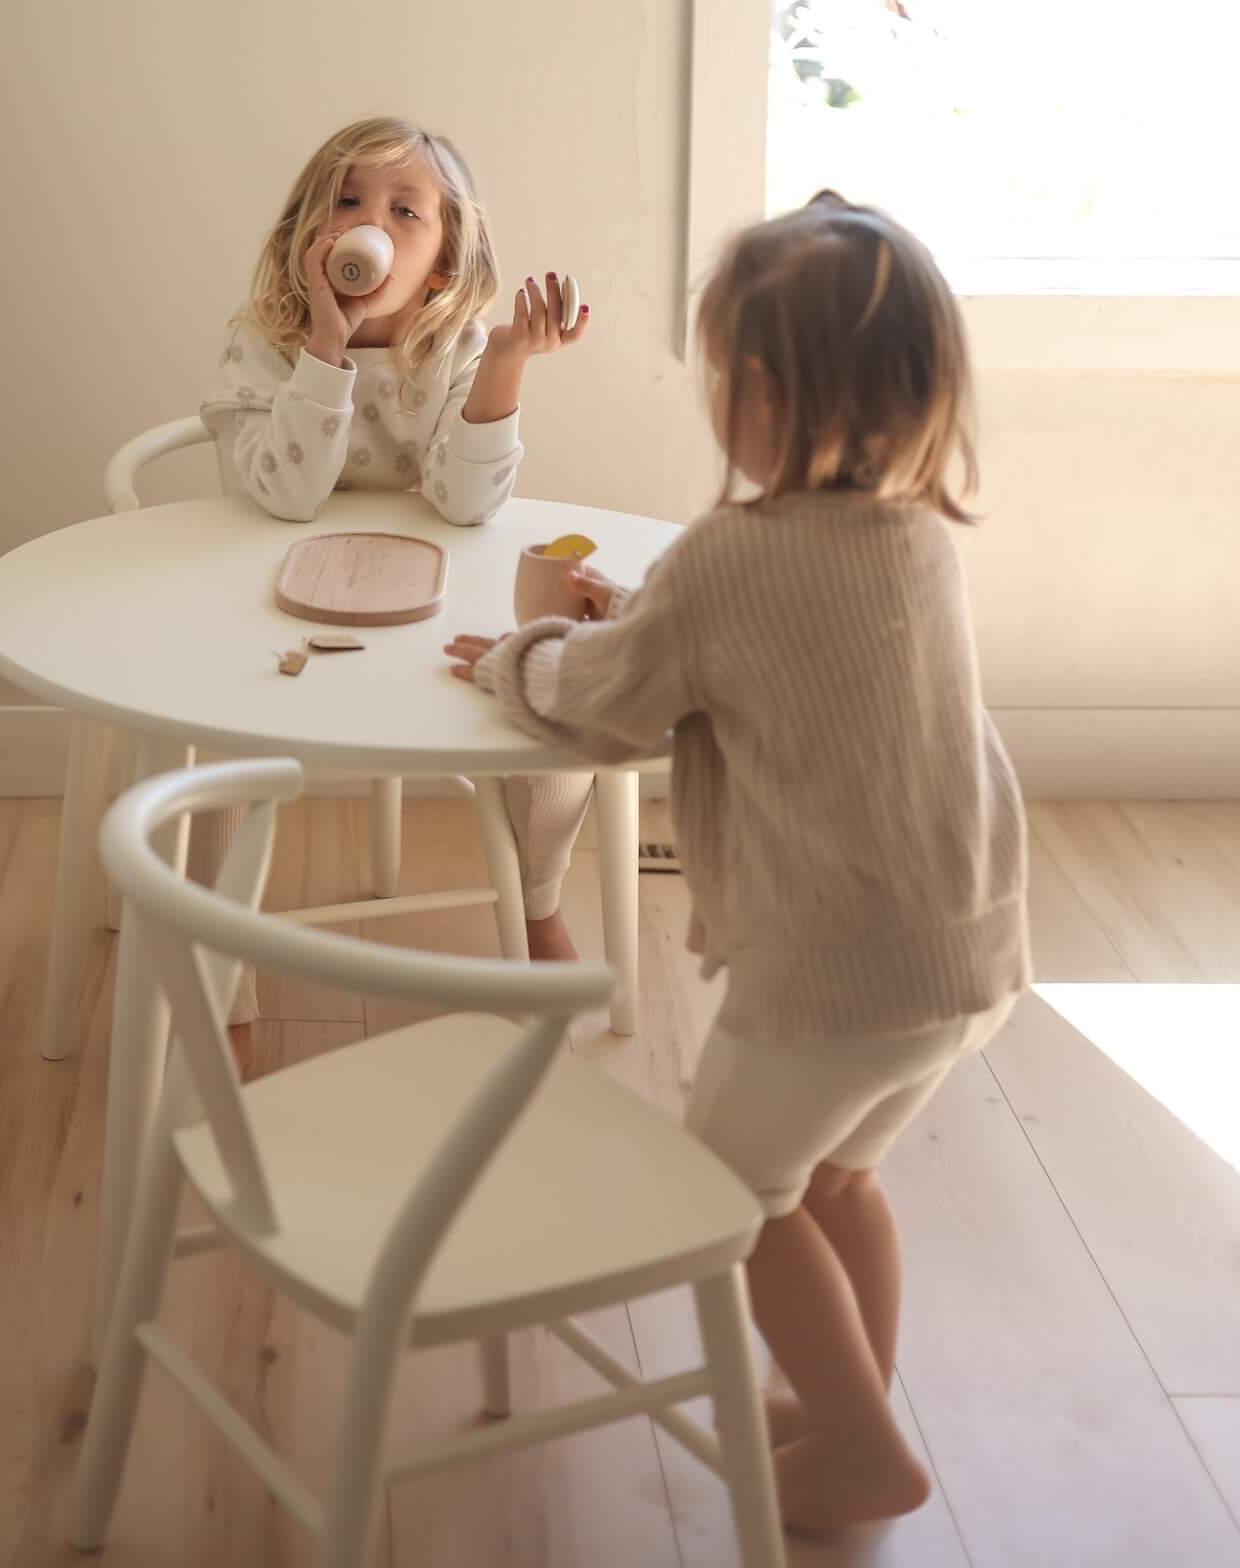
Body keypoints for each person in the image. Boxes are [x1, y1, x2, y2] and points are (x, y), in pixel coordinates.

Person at [446, 192, 1029, 1533]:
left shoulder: (726, 561)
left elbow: (604, 703)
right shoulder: (915, 540)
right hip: (972, 953)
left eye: (718, 374)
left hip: (833, 981)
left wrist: (518, 653)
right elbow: (780, 654)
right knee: (841, 1183)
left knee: (731, 1200)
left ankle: (869, 1444)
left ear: (759, 394)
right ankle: (847, 1410)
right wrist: (649, 619)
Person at [199, 114, 597, 1072]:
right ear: (304, 232)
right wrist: (326, 350)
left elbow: (465, 508)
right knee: (210, 758)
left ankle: (536, 897)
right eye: (343, 202)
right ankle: (225, 986)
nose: (364, 225)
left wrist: (501, 365)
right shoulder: (264, 343)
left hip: (427, 611)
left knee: (551, 700)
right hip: (271, 607)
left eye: (402, 210)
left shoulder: (453, 346)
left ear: (445, 259)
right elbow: (288, 497)